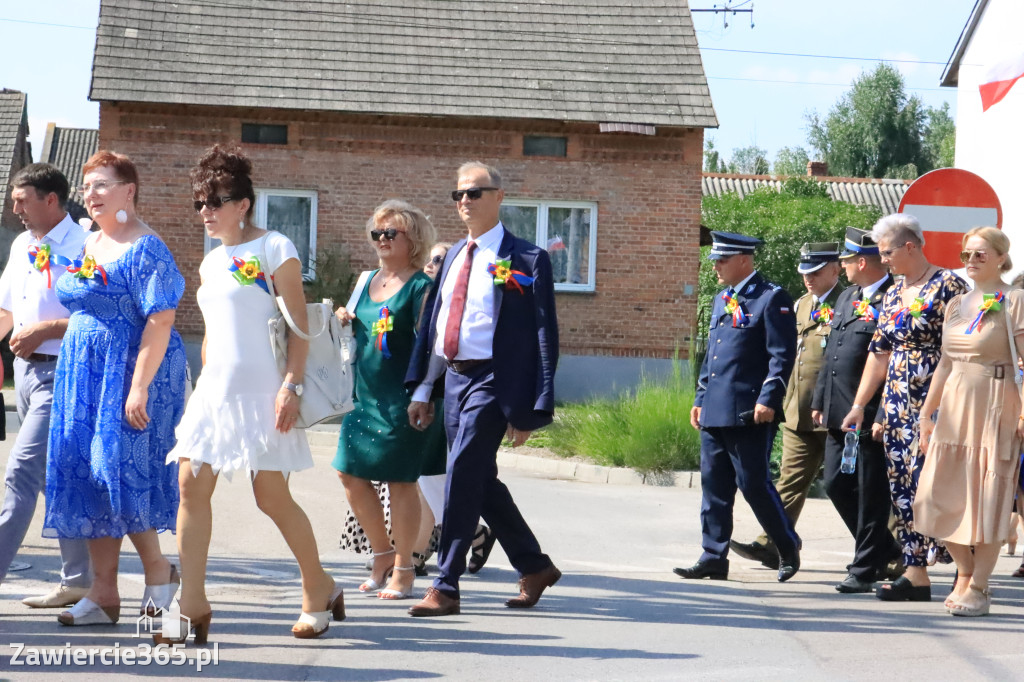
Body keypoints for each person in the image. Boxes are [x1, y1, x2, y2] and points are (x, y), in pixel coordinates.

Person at [167, 144, 342, 641]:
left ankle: (319, 586)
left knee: (271, 496)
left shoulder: (275, 248)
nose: (206, 212)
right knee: (189, 487)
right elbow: (216, 334)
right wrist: (200, 391)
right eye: (200, 203)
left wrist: (292, 385)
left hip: (267, 392)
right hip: (214, 393)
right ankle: (192, 604)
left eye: (216, 201)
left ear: (243, 203)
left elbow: (299, 329)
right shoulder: (210, 262)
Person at [405, 161, 560, 617]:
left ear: (498, 196)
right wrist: (424, 386)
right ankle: (534, 566)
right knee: (477, 478)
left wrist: (534, 405)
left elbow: (543, 336)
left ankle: (446, 583)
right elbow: (437, 325)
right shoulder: (452, 255)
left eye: (474, 193)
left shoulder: (528, 260)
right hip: (454, 377)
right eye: (458, 195)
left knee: (462, 470)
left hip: (496, 379)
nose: (465, 202)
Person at [42, 151, 187, 626]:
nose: (91, 194)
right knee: (85, 476)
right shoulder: (92, 242)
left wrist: (138, 387)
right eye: (87, 187)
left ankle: (159, 570)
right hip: (82, 373)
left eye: (102, 185)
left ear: (129, 190)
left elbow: (161, 321)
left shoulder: (147, 248)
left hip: (129, 373)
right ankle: (103, 593)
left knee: (119, 474)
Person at [842, 213, 968, 602]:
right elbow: (878, 352)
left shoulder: (950, 285)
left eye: (888, 252)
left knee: (940, 484)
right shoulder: (894, 293)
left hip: (939, 397)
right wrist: (861, 404)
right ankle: (916, 574)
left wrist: (938, 406)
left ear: (910, 246)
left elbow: (962, 349)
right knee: (904, 487)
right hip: (897, 402)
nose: (884, 260)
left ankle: (966, 571)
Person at [333, 200, 446, 600]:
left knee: (401, 483)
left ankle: (404, 567)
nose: (381, 240)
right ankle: (381, 554)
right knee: (349, 473)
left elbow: (432, 346)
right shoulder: (366, 280)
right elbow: (356, 331)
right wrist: (344, 317)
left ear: (412, 239)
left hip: (405, 398)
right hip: (364, 396)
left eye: (390, 233)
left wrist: (424, 393)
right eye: (376, 233)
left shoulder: (421, 286)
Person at [675, 231, 801, 583]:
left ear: (744, 260)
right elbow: (711, 358)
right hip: (715, 409)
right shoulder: (722, 299)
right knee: (714, 488)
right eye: (715, 259)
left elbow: (781, 356)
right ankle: (713, 555)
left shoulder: (770, 298)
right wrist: (700, 400)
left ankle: (786, 547)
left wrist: (768, 399)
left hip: (748, 410)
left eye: (722, 260)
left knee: (753, 484)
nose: (715, 266)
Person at [914, 227, 1024, 616]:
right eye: (966, 255)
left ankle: (979, 587)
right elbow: (944, 363)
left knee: (989, 499)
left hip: (996, 403)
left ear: (1000, 258)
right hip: (955, 407)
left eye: (980, 254)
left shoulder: (1015, 301)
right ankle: (965, 571)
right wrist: (927, 414)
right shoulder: (956, 304)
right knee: (934, 495)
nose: (971, 261)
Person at [0, 163, 91, 608]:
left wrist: (45, 329)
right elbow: (6, 309)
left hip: (64, 373)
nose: (14, 207)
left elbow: (101, 317)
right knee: (50, 480)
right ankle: (79, 578)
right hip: (25, 376)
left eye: (22, 199)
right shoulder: (21, 244)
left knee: (20, 472)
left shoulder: (86, 244)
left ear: (51, 199)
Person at [731, 242, 841, 569]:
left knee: (853, 486)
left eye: (817, 272)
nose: (809, 278)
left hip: (836, 410)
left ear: (836, 270)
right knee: (789, 479)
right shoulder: (800, 305)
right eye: (805, 272)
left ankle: (885, 552)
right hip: (799, 409)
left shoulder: (849, 304)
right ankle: (771, 543)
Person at [811, 227, 900, 593]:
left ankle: (864, 569)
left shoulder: (894, 297)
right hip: (838, 410)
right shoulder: (848, 296)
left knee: (871, 492)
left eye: (846, 260)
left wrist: (879, 415)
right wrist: (820, 400)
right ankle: (885, 550)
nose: (843, 266)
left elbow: (889, 363)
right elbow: (831, 350)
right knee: (835, 484)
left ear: (861, 262)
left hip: (869, 413)